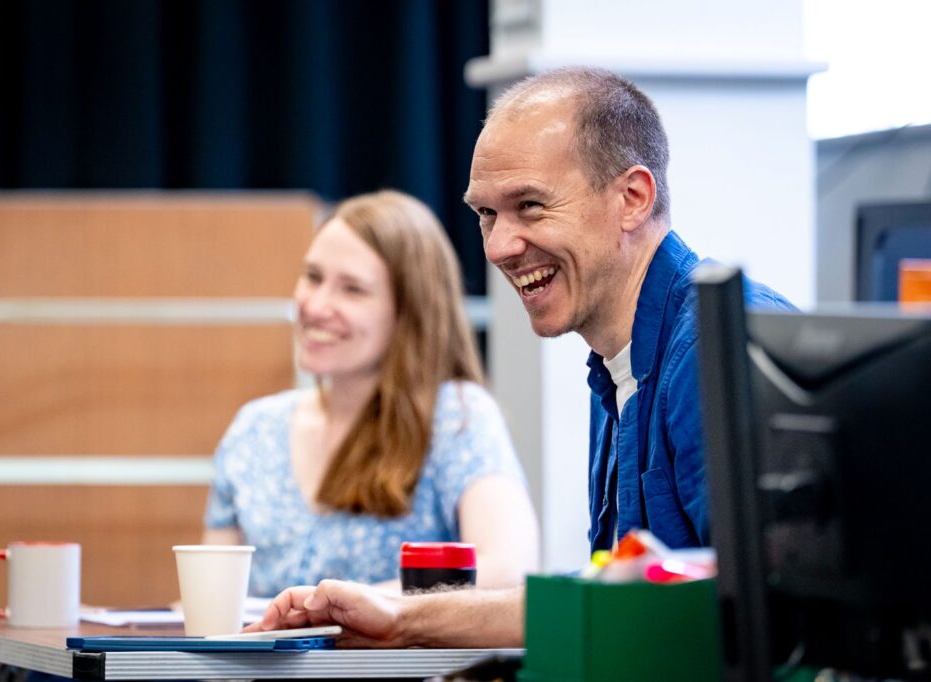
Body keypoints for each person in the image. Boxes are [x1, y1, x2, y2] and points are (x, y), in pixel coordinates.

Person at [246, 66, 794, 646]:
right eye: (486, 214)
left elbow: (759, 605)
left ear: (632, 199)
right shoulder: (618, 369)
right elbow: (616, 594)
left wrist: (407, 617)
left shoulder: (714, 351)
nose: (500, 246)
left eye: (530, 206)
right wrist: (399, 618)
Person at [202, 189, 539, 597]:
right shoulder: (255, 428)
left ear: (408, 312)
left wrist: (348, 604)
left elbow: (509, 567)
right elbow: (212, 596)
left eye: (353, 289)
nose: (316, 306)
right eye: (313, 277)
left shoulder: (456, 416)